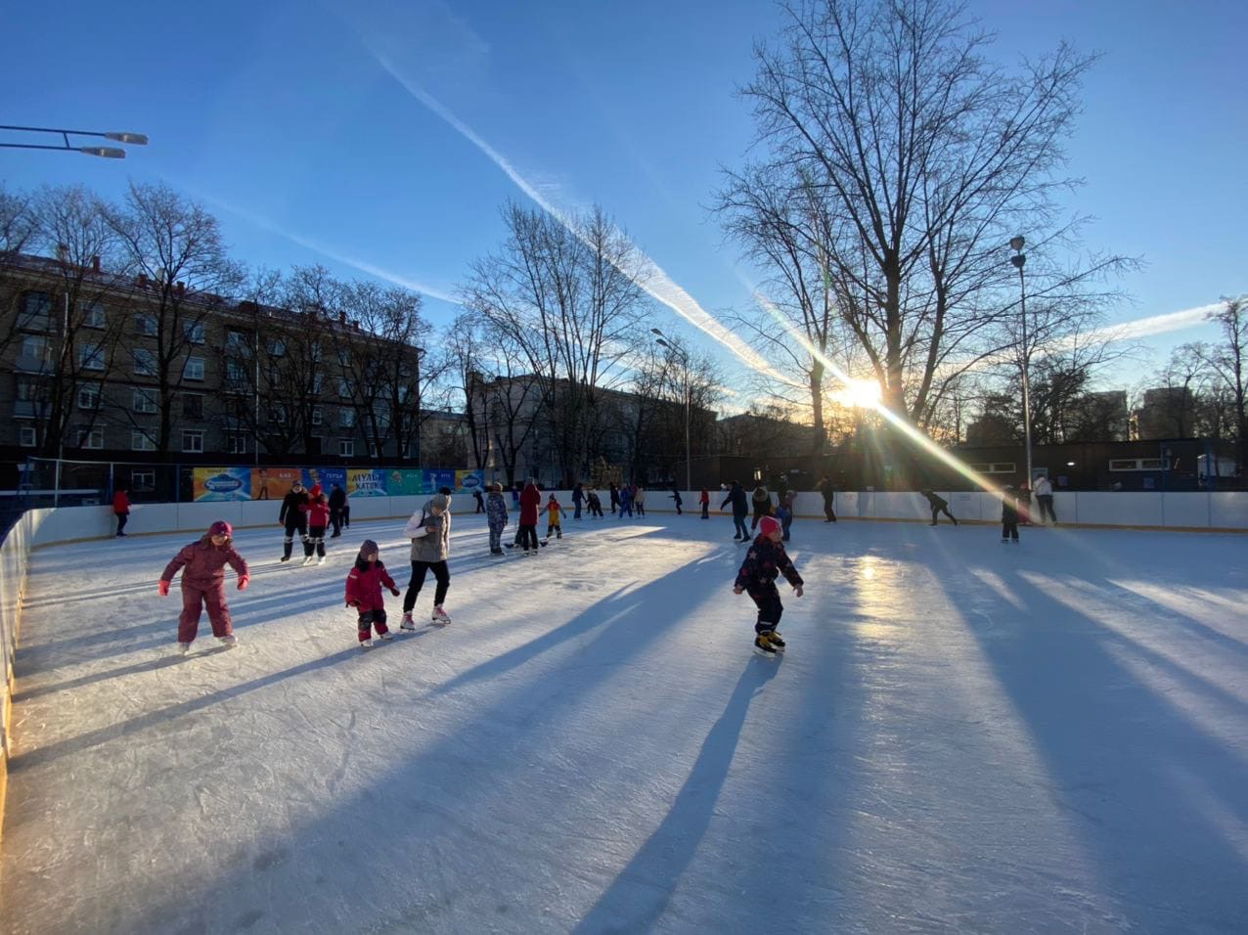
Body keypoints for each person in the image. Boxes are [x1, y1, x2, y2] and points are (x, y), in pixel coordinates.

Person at [159, 520, 249, 655]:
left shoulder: (227, 551)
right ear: (210, 535)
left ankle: (224, 634)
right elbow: (175, 563)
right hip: (191, 584)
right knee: (191, 610)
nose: (220, 540)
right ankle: (185, 640)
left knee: (219, 608)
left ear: (228, 537)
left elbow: (240, 563)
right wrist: (165, 580)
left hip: (214, 583)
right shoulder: (194, 548)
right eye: (217, 536)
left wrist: (244, 576)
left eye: (223, 537)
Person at [733, 515, 804, 654]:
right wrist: (740, 585)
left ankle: (769, 633)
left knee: (778, 608)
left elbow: (786, 565)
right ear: (766, 533)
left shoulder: (777, 547)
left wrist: (796, 582)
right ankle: (761, 637)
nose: (779, 534)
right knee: (767, 609)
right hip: (755, 584)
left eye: (779, 531)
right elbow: (746, 567)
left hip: (768, 583)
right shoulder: (757, 549)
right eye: (775, 532)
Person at [401, 493, 453, 627]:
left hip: (438, 554)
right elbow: (407, 532)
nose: (438, 511)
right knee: (416, 585)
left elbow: (445, 535)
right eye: (436, 508)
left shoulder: (446, 515)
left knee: (444, 580)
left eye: (441, 509)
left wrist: (445, 551)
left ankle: (438, 608)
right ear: (432, 504)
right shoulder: (421, 513)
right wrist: (425, 529)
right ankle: (407, 616)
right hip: (420, 555)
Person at [344, 538, 400, 648]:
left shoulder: (379, 565)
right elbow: (350, 586)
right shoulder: (357, 570)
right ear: (366, 555)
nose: (376, 556)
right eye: (373, 554)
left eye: (377, 553)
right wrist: (351, 598)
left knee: (381, 615)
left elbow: (385, 578)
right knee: (366, 619)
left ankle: (383, 632)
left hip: (377, 598)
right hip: (363, 600)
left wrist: (392, 586)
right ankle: (365, 638)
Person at [278, 480, 310, 562]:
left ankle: (308, 554)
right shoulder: (288, 496)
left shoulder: (305, 495)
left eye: (299, 486)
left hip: (301, 519)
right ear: (293, 486)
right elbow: (284, 507)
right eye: (296, 486)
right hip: (290, 519)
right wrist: (281, 518)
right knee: (288, 538)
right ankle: (287, 555)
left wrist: (305, 507)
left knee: (304, 537)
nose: (298, 487)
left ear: (301, 487)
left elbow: (310, 505)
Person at [515, 477, 542, 553]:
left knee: (525, 534)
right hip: (533, 515)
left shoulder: (524, 492)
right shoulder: (536, 492)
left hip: (525, 515)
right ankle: (535, 548)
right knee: (533, 532)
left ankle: (526, 549)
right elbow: (538, 502)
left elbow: (521, 502)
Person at [303, 493, 330, 565]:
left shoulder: (325, 505)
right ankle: (308, 555)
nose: (323, 499)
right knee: (311, 540)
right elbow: (308, 507)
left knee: (319, 541)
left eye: (324, 498)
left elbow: (328, 512)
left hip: (321, 525)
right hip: (313, 525)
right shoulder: (313, 504)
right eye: (321, 497)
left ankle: (321, 556)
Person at [486, 482, 509, 554]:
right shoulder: (500, 497)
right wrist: (505, 518)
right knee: (497, 534)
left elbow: (488, 509)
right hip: (499, 519)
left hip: (491, 519)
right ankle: (497, 548)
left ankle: (492, 547)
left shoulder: (489, 497)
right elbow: (503, 508)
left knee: (492, 534)